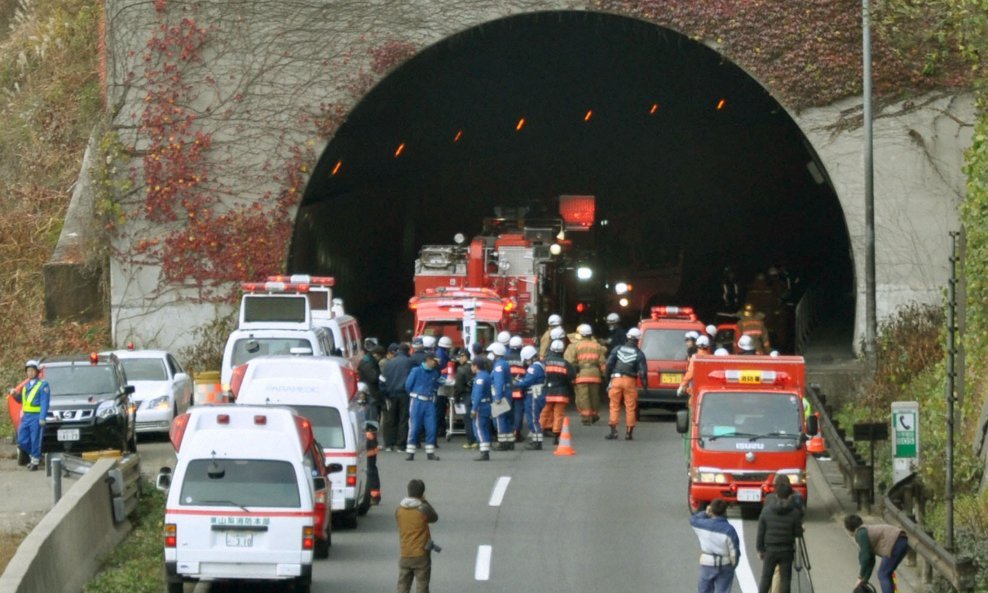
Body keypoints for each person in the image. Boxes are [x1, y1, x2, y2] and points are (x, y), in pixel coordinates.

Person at [756, 478, 804, 593]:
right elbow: (798, 533)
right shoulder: (794, 512)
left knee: (766, 578)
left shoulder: (767, 510)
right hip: (786, 550)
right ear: (789, 496)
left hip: (770, 549)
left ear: (776, 494)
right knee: (785, 579)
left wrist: (760, 549)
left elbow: (761, 531)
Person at [844, 514, 908, 593]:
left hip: (895, 542)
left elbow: (866, 557)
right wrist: (864, 581)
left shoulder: (861, 533)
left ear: (849, 528)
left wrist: (860, 576)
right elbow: (871, 560)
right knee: (886, 573)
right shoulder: (866, 530)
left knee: (883, 574)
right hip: (902, 540)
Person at [395, 479, 439, 593]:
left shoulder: (399, 510)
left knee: (402, 587)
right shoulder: (423, 509)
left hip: (405, 553)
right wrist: (424, 501)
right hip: (421, 554)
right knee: (422, 587)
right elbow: (434, 517)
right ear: (422, 493)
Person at [604, 327, 648, 440]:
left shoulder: (617, 349)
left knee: (614, 405)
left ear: (627, 337)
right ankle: (629, 433)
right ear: (638, 340)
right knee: (630, 407)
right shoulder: (639, 353)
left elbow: (609, 364)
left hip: (616, 379)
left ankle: (613, 431)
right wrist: (645, 387)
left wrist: (607, 379)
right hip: (630, 381)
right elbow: (642, 372)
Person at [690, 498, 741, 593]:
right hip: (725, 564)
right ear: (725, 511)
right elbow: (734, 551)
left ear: (711, 511)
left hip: (707, 562)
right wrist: (733, 565)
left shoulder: (702, 525)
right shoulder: (729, 530)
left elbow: (693, 519)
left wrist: (706, 512)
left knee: (704, 590)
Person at [564, 324, 607, 426]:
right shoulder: (597, 346)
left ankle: (586, 417)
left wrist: (570, 376)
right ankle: (594, 414)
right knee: (594, 396)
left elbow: (569, 362)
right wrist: (604, 375)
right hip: (595, 374)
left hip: (581, 374)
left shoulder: (575, 346)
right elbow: (602, 362)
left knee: (583, 397)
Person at [404, 353, 443, 461]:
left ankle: (430, 452)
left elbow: (435, 385)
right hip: (417, 401)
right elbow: (408, 385)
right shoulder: (416, 370)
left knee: (431, 427)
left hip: (429, 402)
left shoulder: (434, 373)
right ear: (428, 360)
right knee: (414, 427)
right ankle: (410, 452)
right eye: (434, 361)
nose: (436, 364)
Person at [13, 360, 49, 471]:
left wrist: (42, 417)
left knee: (35, 440)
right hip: (26, 417)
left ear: (37, 371)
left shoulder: (43, 385)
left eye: (32, 370)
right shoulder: (26, 386)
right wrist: (15, 395)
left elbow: (44, 402)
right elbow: (22, 401)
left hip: (36, 417)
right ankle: (35, 456)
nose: (30, 373)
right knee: (22, 440)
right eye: (28, 371)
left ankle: (35, 462)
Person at [543, 339, 576, 445]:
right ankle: (556, 435)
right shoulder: (566, 364)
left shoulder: (544, 362)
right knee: (559, 414)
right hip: (561, 393)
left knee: (544, 412)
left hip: (547, 392)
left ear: (551, 349)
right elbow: (571, 377)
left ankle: (537, 432)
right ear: (562, 351)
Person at [382, 343, 414, 451]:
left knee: (390, 419)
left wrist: (384, 393)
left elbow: (382, 380)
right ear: (408, 351)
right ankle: (401, 445)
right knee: (403, 419)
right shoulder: (409, 362)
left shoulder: (389, 363)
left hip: (390, 394)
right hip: (405, 394)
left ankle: (389, 444)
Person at [514, 345, 546, 450]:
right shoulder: (539, 365)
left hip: (533, 396)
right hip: (537, 394)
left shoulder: (533, 368)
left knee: (533, 418)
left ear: (529, 358)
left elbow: (527, 382)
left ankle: (537, 442)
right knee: (534, 418)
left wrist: (516, 383)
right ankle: (536, 440)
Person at [489, 342, 514, 450]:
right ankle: (509, 440)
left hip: (501, 394)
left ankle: (502, 442)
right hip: (507, 393)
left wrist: (498, 397)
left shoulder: (498, 365)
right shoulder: (504, 363)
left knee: (499, 418)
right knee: (507, 418)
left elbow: (499, 382)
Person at [452, 349, 477, 449]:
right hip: (476, 395)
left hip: (466, 395)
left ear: (464, 357)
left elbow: (458, 387)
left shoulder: (461, 369)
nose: (458, 359)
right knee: (476, 419)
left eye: (460, 357)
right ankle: (479, 439)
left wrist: (456, 398)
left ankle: (471, 441)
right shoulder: (475, 366)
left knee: (467, 419)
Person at [470, 357, 493, 461]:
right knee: (484, 428)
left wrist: (474, 409)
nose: (471, 367)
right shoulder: (487, 375)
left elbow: (478, 394)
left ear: (476, 366)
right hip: (487, 404)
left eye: (472, 365)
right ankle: (486, 448)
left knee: (479, 428)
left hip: (480, 406)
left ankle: (484, 452)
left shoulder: (479, 378)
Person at [358, 341, 385, 424]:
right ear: (376, 354)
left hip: (371, 392)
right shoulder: (367, 363)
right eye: (380, 357)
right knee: (371, 417)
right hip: (370, 393)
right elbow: (373, 378)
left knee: (373, 415)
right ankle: (371, 433)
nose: (380, 359)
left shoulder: (370, 361)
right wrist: (379, 377)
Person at [506, 335, 526, 441]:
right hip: (519, 390)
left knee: (508, 411)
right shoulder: (523, 358)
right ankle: (517, 432)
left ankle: (508, 432)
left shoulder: (505, 357)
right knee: (518, 412)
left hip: (508, 390)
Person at [365, 420, 381, 505]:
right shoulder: (370, 436)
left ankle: (374, 497)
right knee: (373, 478)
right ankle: (375, 497)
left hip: (369, 462)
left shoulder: (368, 435)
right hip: (370, 462)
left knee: (371, 477)